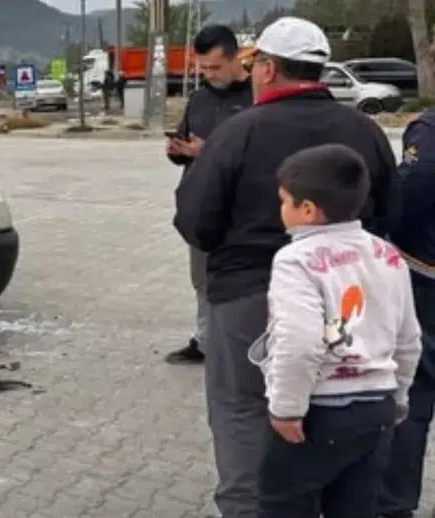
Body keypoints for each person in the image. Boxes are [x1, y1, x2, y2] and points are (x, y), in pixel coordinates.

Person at [173, 16, 399, 518]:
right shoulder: (365, 132)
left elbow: (195, 222)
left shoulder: (238, 133)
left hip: (247, 299)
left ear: (269, 69)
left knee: (241, 411)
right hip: (346, 299)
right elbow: (390, 216)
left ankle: (248, 508)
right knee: (330, 406)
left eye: (256, 64)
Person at [250, 143, 419, 518]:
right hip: (377, 408)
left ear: (308, 210)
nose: (281, 210)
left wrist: (287, 409)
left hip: (319, 410)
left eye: (284, 201)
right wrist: (399, 398)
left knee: (283, 506)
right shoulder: (387, 254)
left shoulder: (295, 259)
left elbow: (298, 343)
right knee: (356, 507)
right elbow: (408, 339)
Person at [165, 24, 253, 365]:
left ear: (236, 59)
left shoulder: (256, 97)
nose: (209, 74)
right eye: (203, 68)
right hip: (203, 204)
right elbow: (187, 139)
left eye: (215, 67)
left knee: (247, 280)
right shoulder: (200, 98)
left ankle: (246, 345)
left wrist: (209, 151)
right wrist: (178, 151)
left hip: (244, 208)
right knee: (202, 278)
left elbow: (262, 154)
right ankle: (205, 341)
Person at [377, 106, 435, 518]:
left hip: (425, 276)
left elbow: (410, 193)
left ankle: (394, 504)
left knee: (414, 393)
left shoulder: (430, 131)